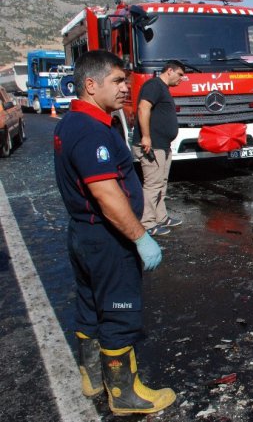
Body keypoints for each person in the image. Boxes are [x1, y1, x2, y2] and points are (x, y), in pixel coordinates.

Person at [53, 50, 175, 415]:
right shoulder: (91, 132)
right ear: (91, 85)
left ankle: (92, 377)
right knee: (120, 313)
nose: (127, 88)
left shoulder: (73, 122)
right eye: (118, 81)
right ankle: (125, 396)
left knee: (91, 307)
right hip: (107, 239)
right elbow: (107, 195)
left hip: (83, 233)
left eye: (127, 81)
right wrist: (140, 238)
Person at [132, 61, 185, 236]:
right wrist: (146, 137)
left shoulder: (162, 88)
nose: (182, 79)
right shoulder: (153, 85)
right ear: (169, 71)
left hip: (162, 145)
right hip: (152, 145)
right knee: (153, 184)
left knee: (161, 183)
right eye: (180, 74)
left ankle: (161, 217)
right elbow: (143, 108)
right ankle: (147, 223)